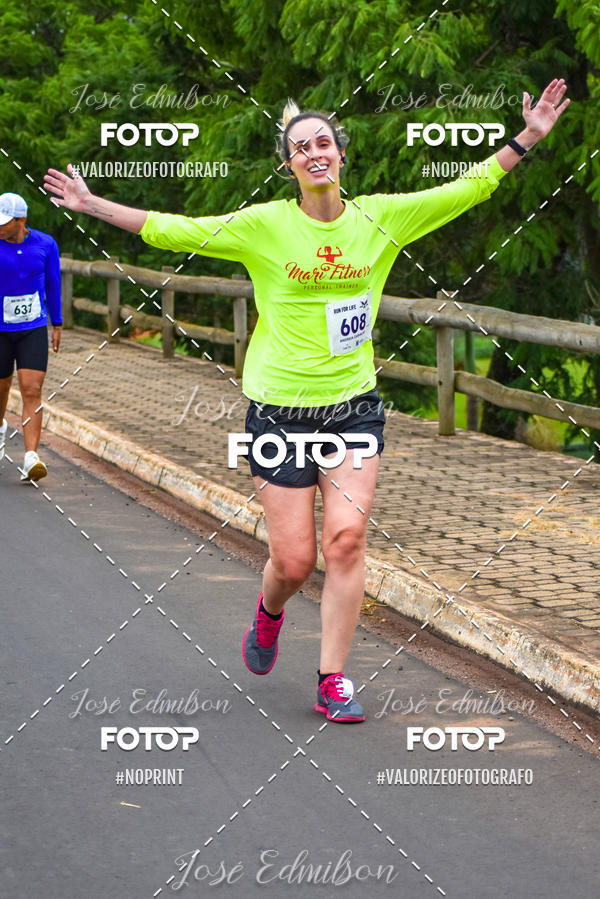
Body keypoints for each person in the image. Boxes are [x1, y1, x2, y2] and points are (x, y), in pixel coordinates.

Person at [44, 78, 569, 722]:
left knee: (346, 541)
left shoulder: (381, 217)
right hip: (278, 413)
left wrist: (527, 138)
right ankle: (269, 613)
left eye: (323, 143)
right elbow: (174, 229)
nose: (314, 153)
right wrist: (90, 203)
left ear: (340, 155)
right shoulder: (263, 226)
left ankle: (332, 678)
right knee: (294, 562)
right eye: (301, 148)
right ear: (288, 165)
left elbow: (466, 188)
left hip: (353, 409)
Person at [0, 192, 62, 480]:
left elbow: (53, 284)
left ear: (21, 220)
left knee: (32, 389)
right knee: (1, 387)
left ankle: (31, 457)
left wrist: (57, 323)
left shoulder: (46, 244)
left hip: (32, 328)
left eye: (5, 222)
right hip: (1, 330)